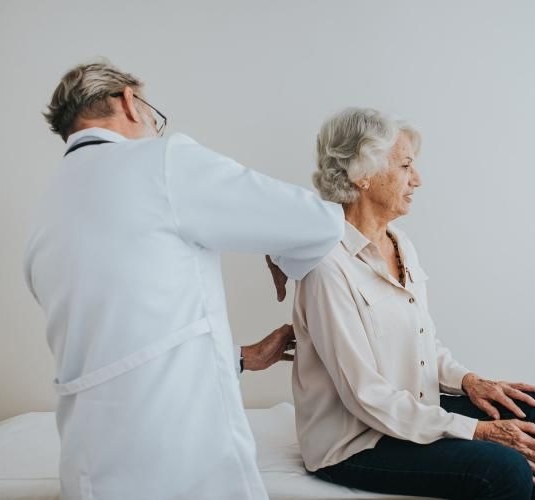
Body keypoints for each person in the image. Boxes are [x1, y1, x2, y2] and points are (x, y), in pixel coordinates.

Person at [23, 61, 344, 500]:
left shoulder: (45, 210)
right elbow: (319, 223)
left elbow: (115, 344)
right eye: (154, 113)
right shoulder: (161, 161)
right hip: (178, 461)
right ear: (129, 102)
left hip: (86, 468)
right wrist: (279, 252)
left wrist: (238, 358)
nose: (156, 126)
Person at [292, 108, 535, 499]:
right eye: (406, 166)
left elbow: (423, 344)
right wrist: (476, 430)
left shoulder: (400, 244)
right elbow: (364, 396)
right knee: (504, 467)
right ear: (362, 174)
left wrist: (469, 382)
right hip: (357, 440)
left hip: (410, 414)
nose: (418, 180)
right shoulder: (327, 268)